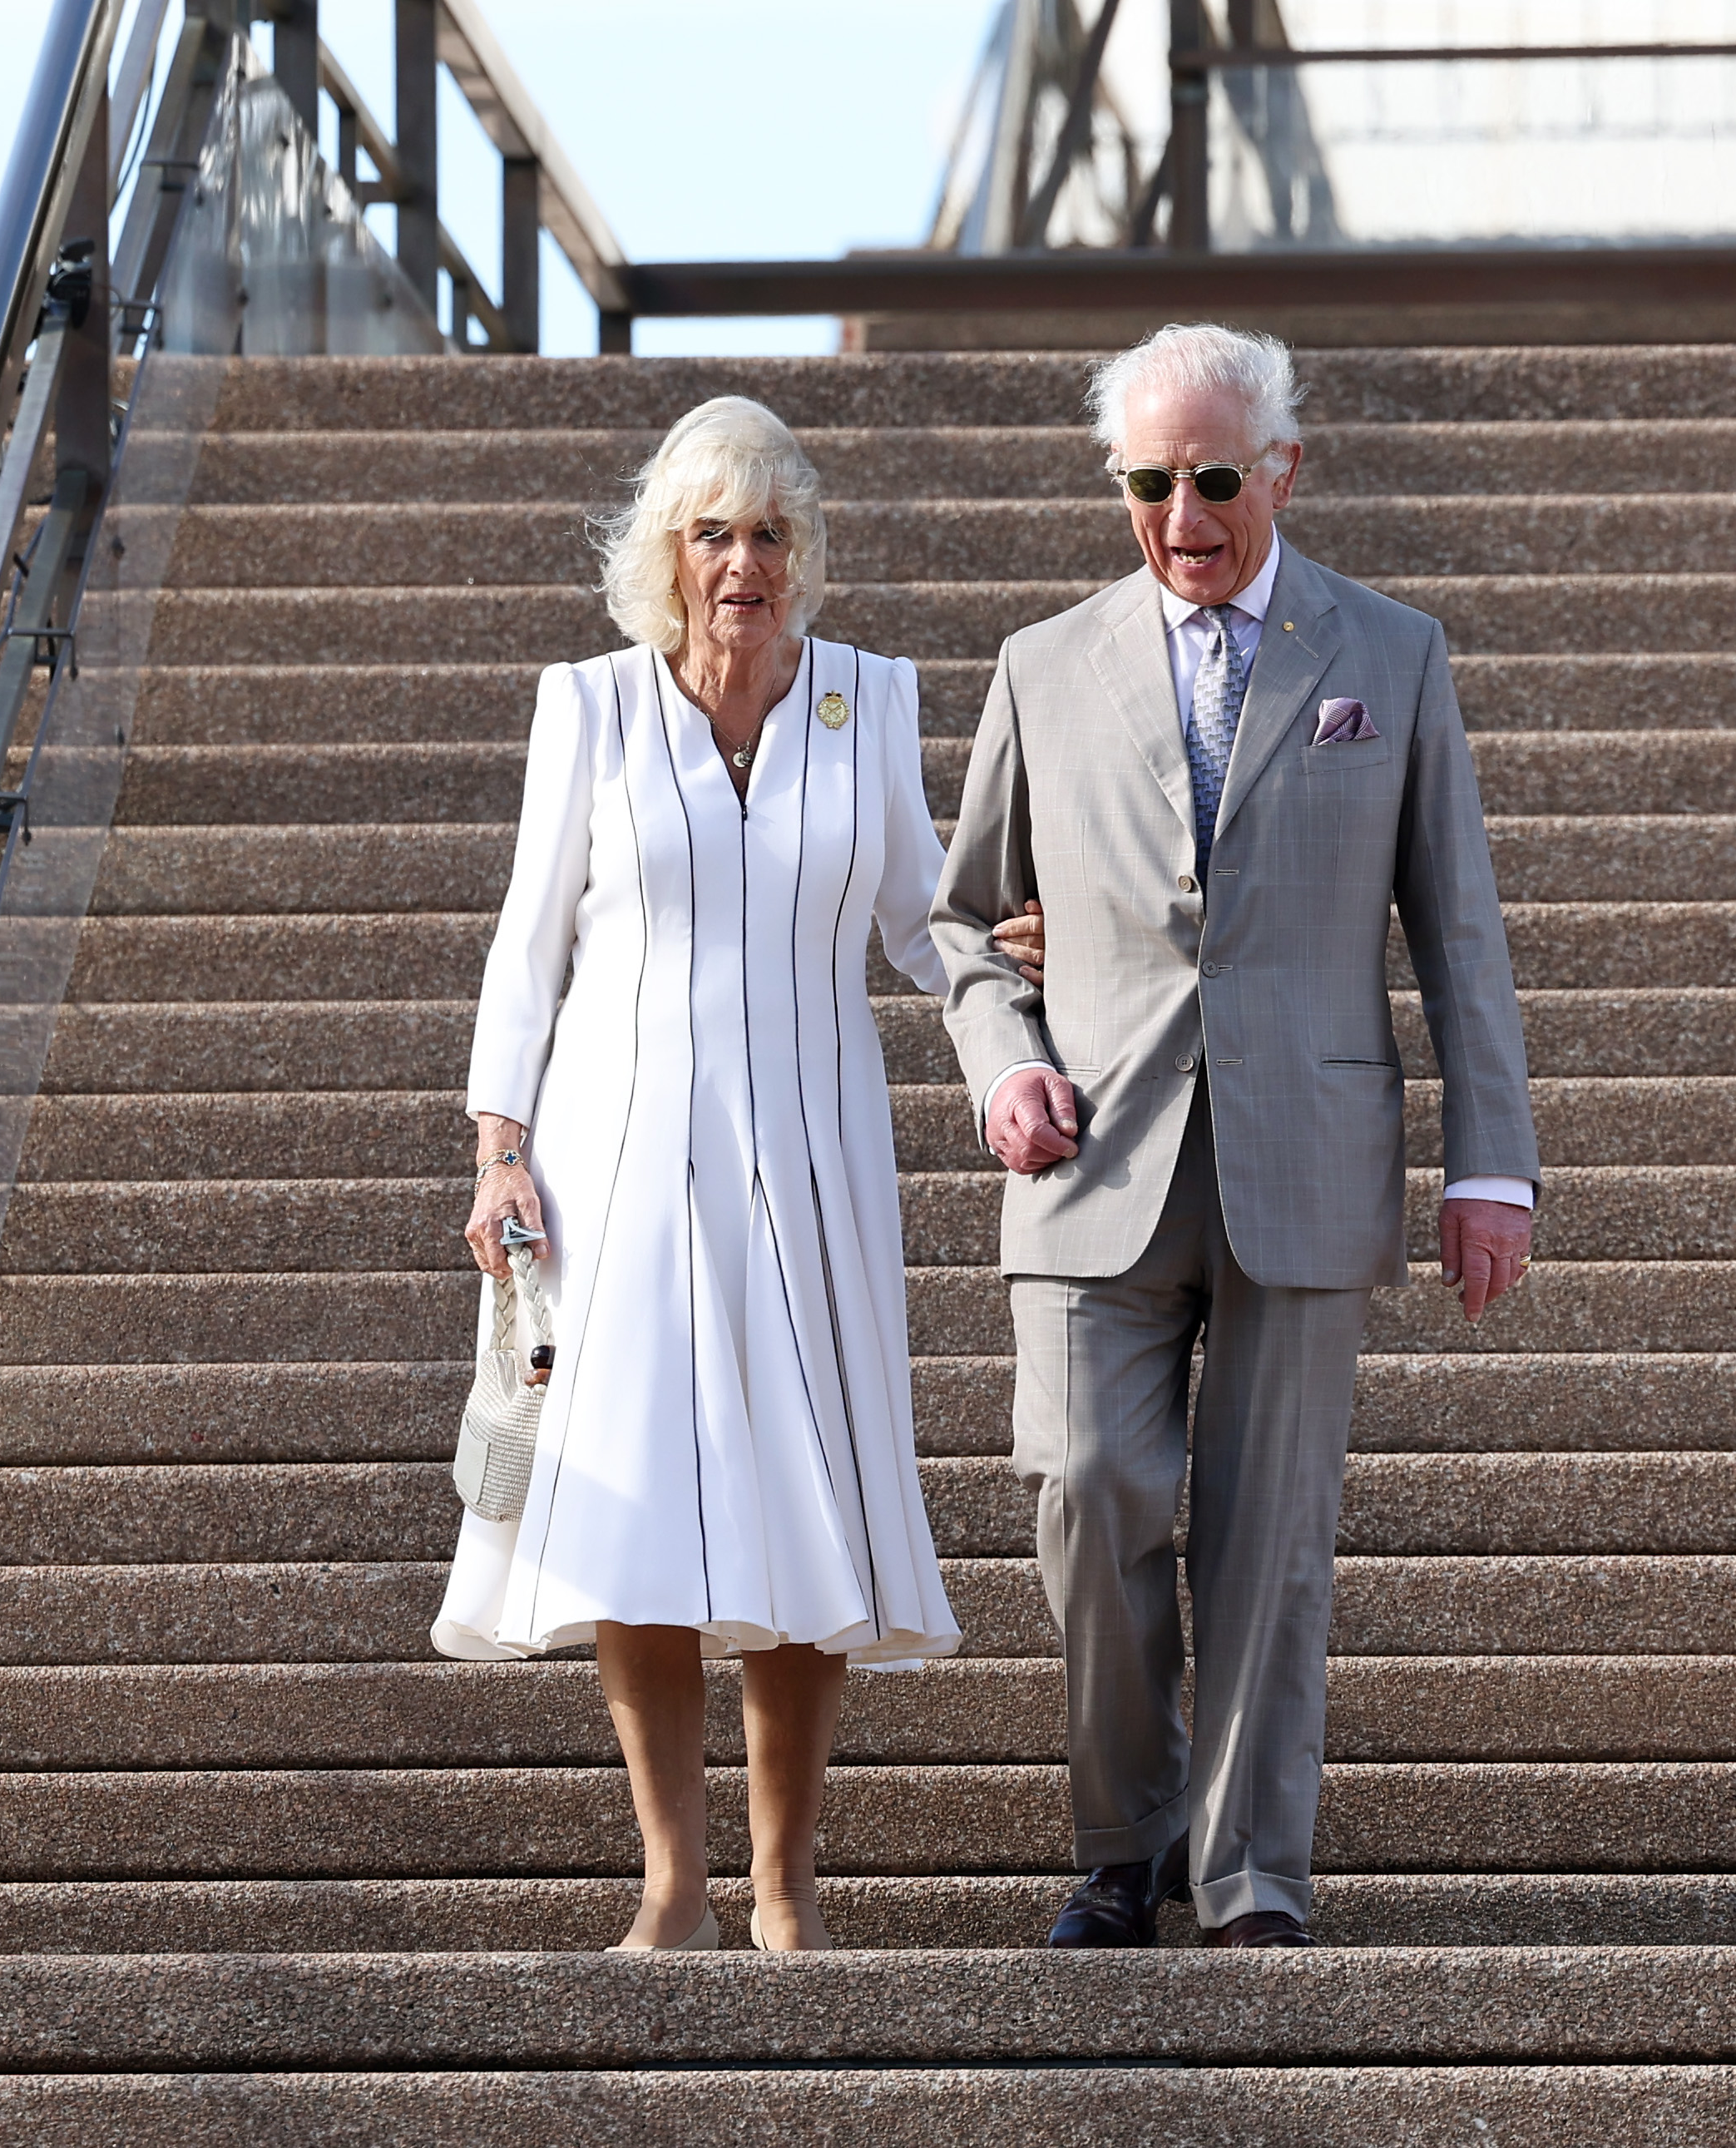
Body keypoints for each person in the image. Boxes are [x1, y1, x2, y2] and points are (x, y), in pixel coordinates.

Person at [933, 323, 1542, 1950]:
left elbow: (1457, 930)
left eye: (1213, 478)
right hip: (1088, 1170)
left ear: (1281, 467)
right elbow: (965, 922)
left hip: (1309, 1154)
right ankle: (1122, 1843)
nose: (1182, 515)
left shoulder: (1390, 654)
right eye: (1149, 482)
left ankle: (1252, 1863)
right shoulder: (1040, 664)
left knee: (1270, 1537)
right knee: (1083, 1484)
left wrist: (1492, 1162)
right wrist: (1003, 1060)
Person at [438, 396, 1038, 1953]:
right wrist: (498, 1147)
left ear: (804, 553)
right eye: (714, 532)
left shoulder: (872, 701)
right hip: (617, 1157)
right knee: (637, 1511)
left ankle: (786, 1886)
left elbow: (924, 919)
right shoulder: (589, 706)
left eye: (771, 532)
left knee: (801, 1502)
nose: (743, 562)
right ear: (667, 552)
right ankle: (671, 1882)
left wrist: (1041, 938)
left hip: (816, 1157)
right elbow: (529, 942)